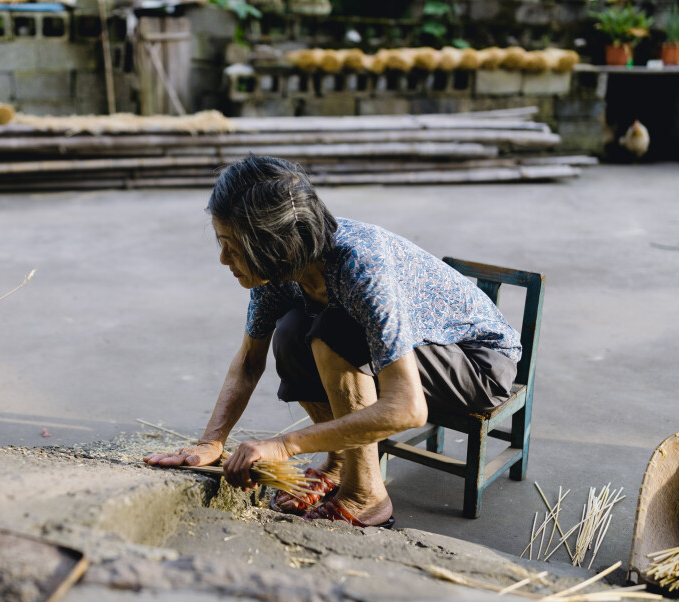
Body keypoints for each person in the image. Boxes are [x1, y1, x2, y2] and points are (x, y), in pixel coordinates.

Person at [145, 156, 521, 527]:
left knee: (334, 330)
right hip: (416, 351)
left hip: (477, 364)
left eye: (233, 245)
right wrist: (211, 442)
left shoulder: (360, 267)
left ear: (278, 245)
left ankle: (366, 495)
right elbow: (248, 362)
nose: (224, 258)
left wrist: (285, 445)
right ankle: (341, 463)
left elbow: (408, 408)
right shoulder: (276, 273)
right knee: (292, 333)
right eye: (221, 242)